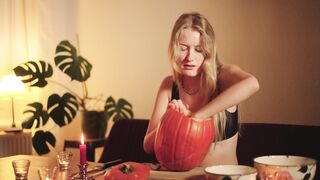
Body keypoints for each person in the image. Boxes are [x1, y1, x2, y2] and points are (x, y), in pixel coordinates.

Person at [143, 12, 259, 166]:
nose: (190, 57)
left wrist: (196, 117)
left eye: (198, 49)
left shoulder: (223, 76)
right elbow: (148, 146)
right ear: (173, 48)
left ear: (209, 51)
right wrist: (170, 118)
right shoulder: (169, 85)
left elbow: (252, 84)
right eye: (183, 48)